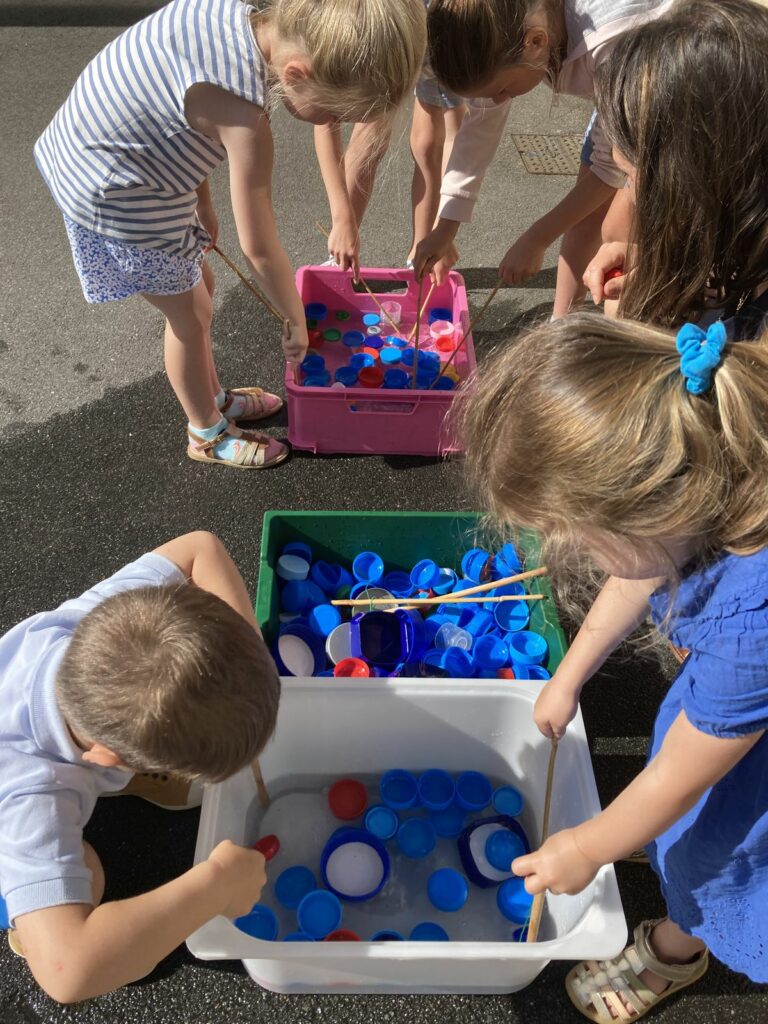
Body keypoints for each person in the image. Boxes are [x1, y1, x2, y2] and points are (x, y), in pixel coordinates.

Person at [462, 313, 768, 1019]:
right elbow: (637, 573)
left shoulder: (752, 627)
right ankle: (659, 853)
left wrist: (588, 847)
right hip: (721, 721)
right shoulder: (691, 472)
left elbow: (676, 778)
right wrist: (568, 675)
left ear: (643, 511)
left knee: (713, 857)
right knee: (676, 820)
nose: (572, 552)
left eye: (582, 538)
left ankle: (674, 947)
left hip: (746, 780)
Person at [35, 0, 426, 469]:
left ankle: (213, 394)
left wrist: (201, 200)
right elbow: (259, 247)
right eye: (332, 112)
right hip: (116, 190)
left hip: (120, 158)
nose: (332, 123)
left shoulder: (239, 19)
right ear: (298, 74)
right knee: (190, 314)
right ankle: (205, 431)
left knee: (203, 288)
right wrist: (295, 319)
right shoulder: (245, 114)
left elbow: (168, 107)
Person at [0, 531, 281, 1002]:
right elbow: (70, 974)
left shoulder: (117, 624)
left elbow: (201, 548)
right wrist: (216, 886)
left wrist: (249, 656)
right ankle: (24, 916)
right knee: (89, 878)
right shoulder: (35, 794)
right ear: (107, 759)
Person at [411, 0, 672, 319]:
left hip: (675, 105)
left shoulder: (611, 46)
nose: (498, 99)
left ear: (535, 42)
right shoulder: (527, 32)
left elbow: (611, 166)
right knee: (586, 214)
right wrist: (445, 227)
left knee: (628, 233)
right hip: (623, 96)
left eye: (503, 89)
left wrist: (538, 238)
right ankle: (560, 324)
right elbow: (481, 125)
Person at [582, 0, 768, 334]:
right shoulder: (745, 246)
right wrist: (666, 271)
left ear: (695, 179)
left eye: (631, 177)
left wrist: (637, 336)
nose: (631, 196)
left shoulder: (754, 337)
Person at [315, 0, 466, 276]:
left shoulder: (448, 29)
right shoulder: (352, 35)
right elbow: (325, 119)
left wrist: (443, 228)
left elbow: (456, 137)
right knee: (371, 131)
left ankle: (422, 254)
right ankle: (340, 257)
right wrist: (341, 217)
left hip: (441, 25)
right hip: (381, 27)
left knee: (427, 144)